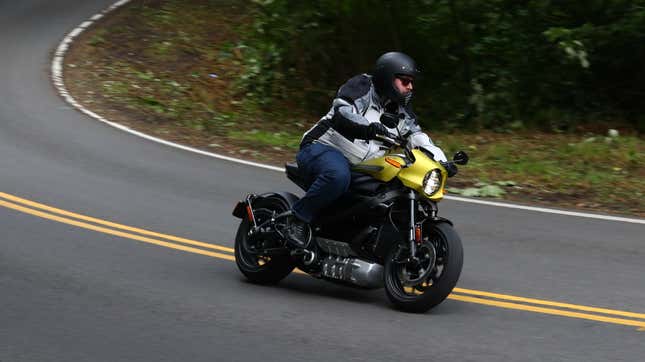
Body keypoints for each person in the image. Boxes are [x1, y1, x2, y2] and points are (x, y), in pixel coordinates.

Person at [285, 51, 449, 249]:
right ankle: (298, 219)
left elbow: (417, 136)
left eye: (411, 82)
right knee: (337, 176)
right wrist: (366, 127)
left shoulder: (401, 109)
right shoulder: (362, 87)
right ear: (388, 78)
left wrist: (442, 161)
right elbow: (343, 111)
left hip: (361, 165)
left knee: (392, 190)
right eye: (405, 81)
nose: (410, 87)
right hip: (322, 148)